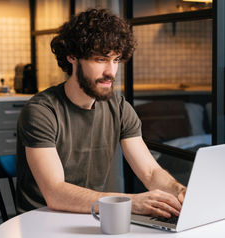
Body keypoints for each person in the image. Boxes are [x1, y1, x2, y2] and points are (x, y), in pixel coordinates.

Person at [16, 8, 186, 219]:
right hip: (40, 221)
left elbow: (150, 172)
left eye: (116, 60)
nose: (111, 72)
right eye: (100, 59)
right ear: (72, 56)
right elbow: (55, 193)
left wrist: (180, 192)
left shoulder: (119, 107)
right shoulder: (41, 111)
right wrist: (131, 202)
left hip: (90, 216)